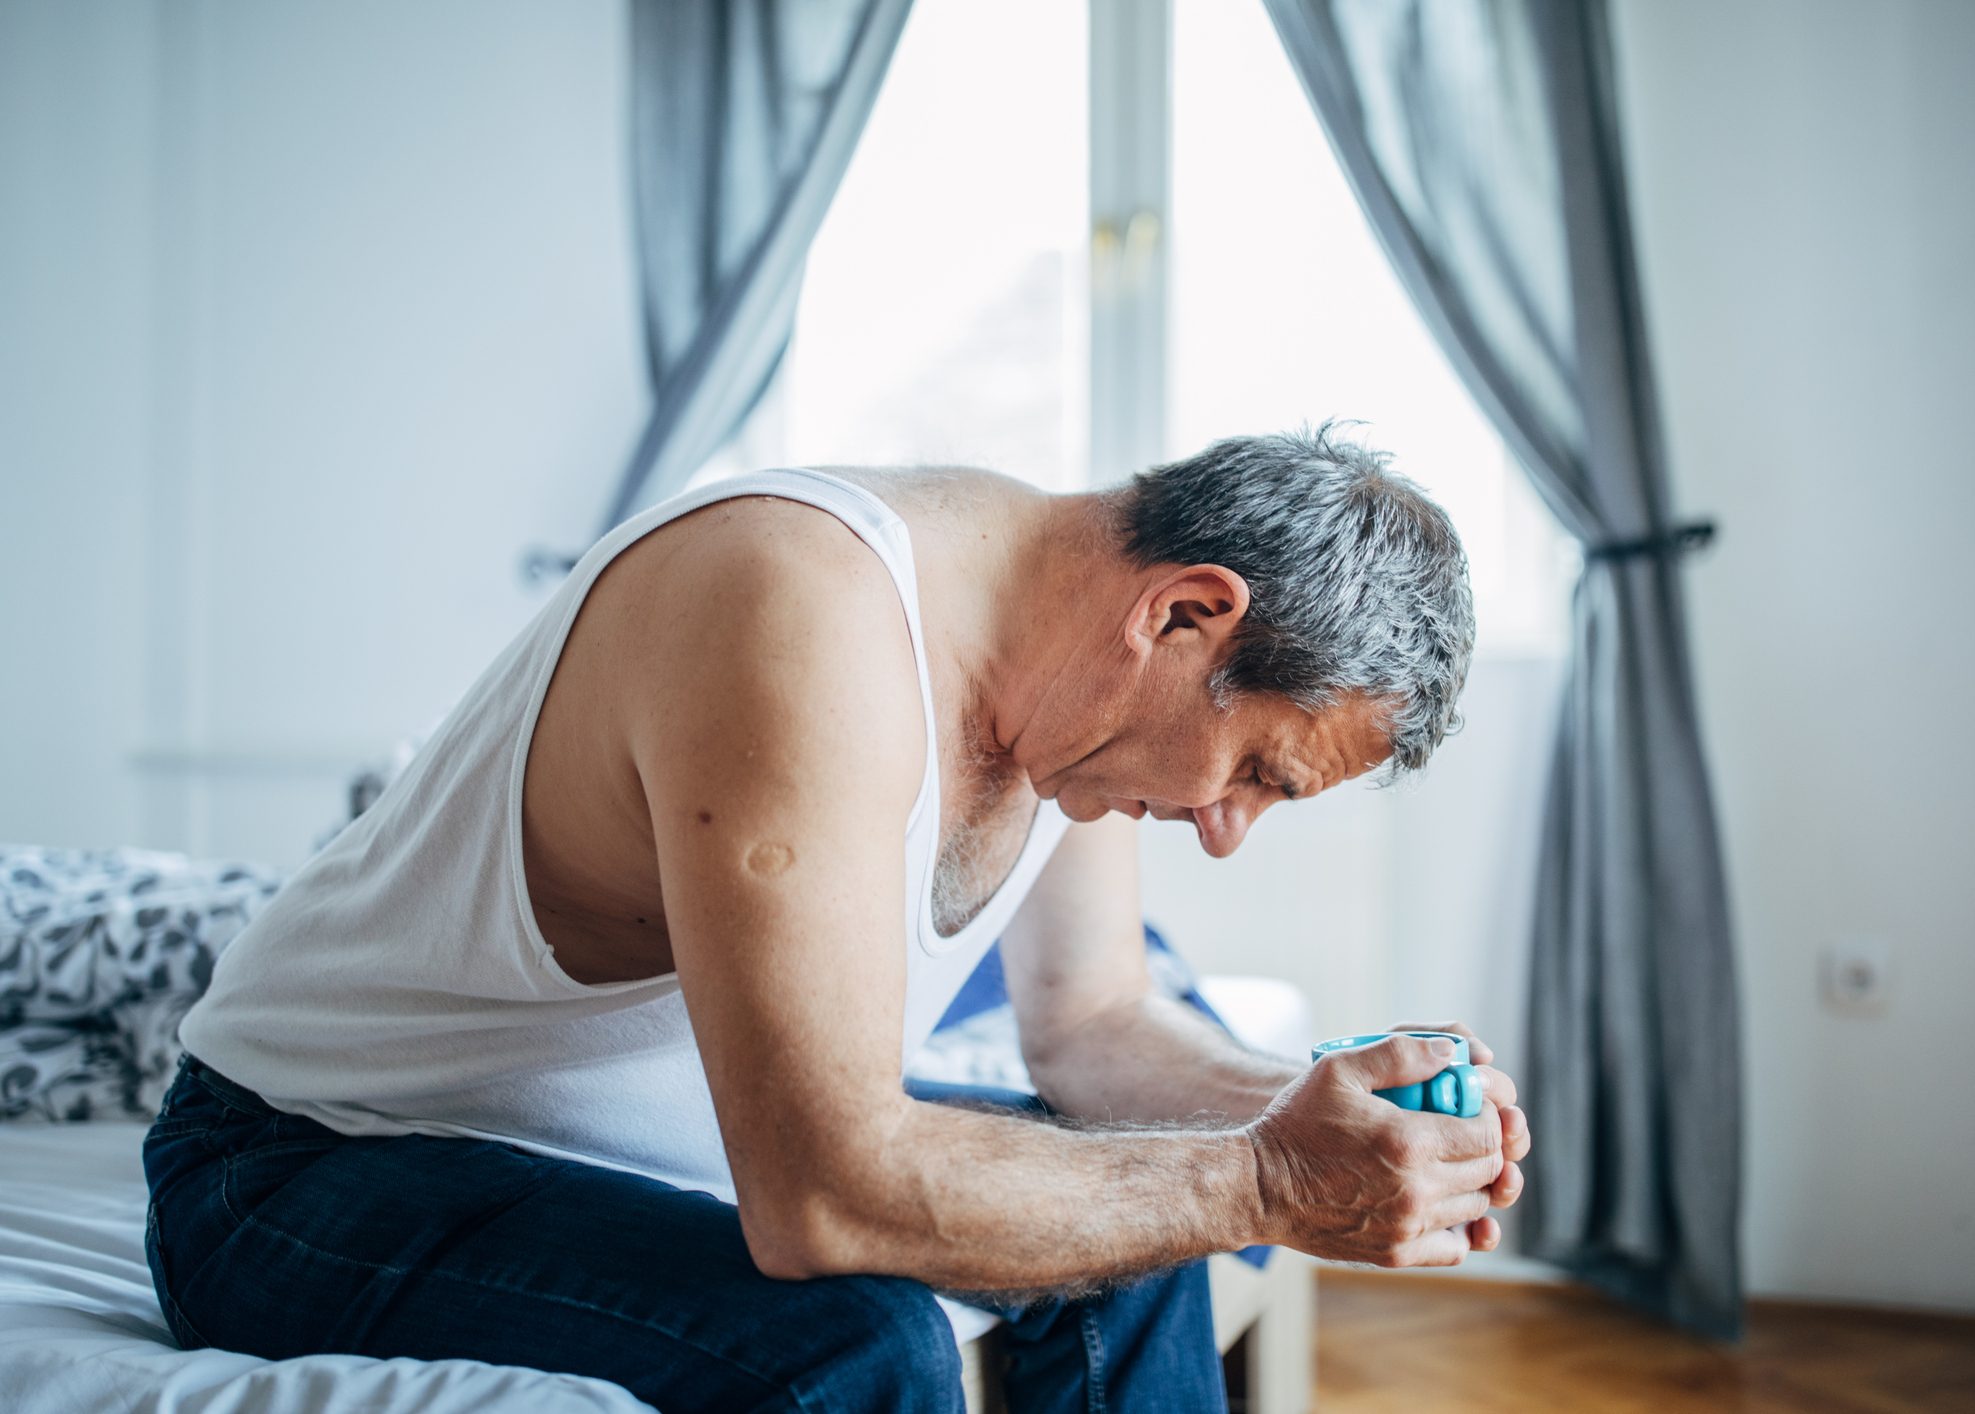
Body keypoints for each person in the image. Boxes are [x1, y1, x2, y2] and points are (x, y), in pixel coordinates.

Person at [145, 423, 1530, 1413]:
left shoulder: (1076, 687)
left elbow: (1095, 1031)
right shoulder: (796, 608)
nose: (1226, 828)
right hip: (307, 1167)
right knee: (853, 1341)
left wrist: (1339, 1116)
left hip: (653, 1134)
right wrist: (1275, 1181)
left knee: (1132, 1231)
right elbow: (825, 1194)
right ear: (1183, 615)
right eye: (1255, 772)